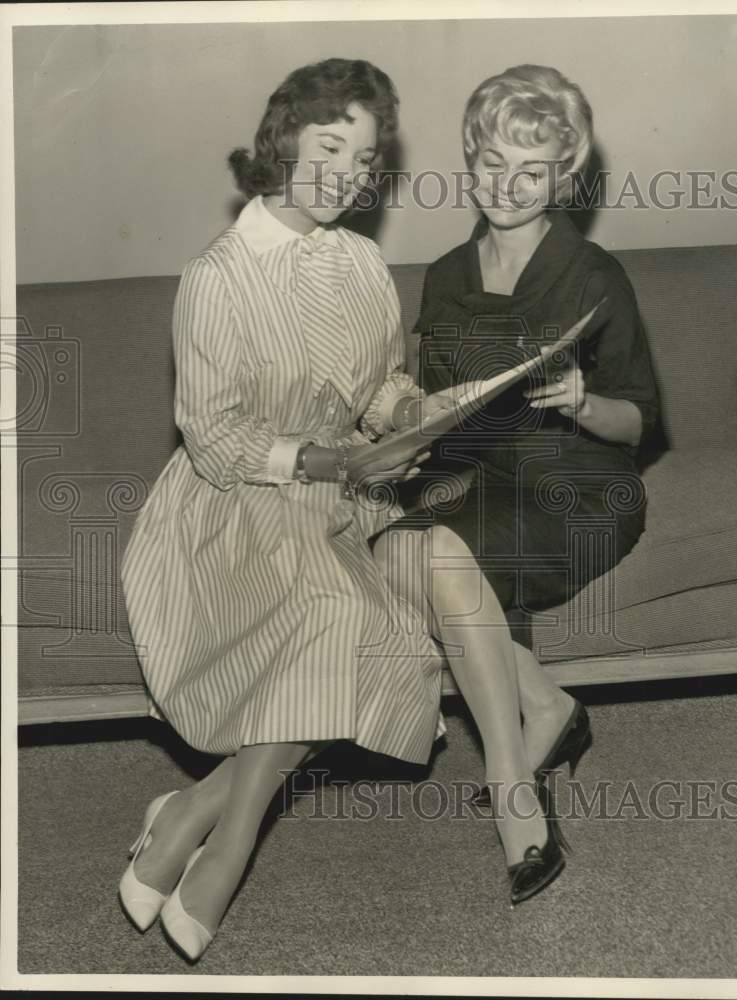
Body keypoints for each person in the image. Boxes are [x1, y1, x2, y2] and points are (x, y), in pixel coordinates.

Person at [118, 57, 453, 962]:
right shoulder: (217, 278)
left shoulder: (363, 262)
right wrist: (329, 458)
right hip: (231, 505)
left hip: (337, 498)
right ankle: (230, 847)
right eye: (330, 145)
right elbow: (215, 441)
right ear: (283, 144)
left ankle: (195, 808)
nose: (349, 171)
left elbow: (377, 386)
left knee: (372, 636)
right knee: (337, 617)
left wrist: (408, 413)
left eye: (366, 154)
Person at [372, 64, 659, 906]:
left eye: (529, 171)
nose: (506, 185)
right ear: (470, 157)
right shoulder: (446, 274)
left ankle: (511, 787)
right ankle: (549, 708)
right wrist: (405, 429)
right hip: (479, 478)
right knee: (395, 548)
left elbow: (642, 420)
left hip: (582, 481)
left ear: (563, 178)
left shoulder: (594, 273)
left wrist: (585, 401)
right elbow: (440, 409)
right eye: (491, 162)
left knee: (437, 554)